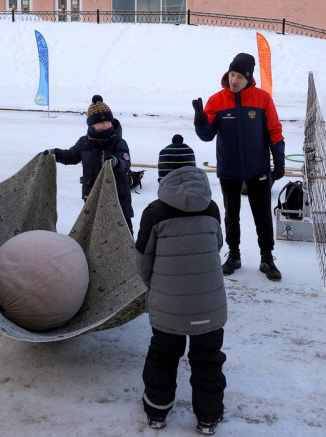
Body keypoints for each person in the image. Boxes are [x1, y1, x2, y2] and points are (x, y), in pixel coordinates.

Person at [136, 137, 227, 435]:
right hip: (209, 306)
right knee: (208, 359)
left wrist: (157, 288)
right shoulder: (211, 207)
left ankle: (157, 411)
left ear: (163, 176)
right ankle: (209, 416)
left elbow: (142, 260)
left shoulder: (154, 212)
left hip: (168, 305)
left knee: (163, 355)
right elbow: (217, 245)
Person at [193, 52, 285, 282]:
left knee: (262, 214)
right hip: (229, 169)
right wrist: (200, 120)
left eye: (239, 77)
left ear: (249, 78)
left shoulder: (262, 99)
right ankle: (234, 254)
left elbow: (274, 130)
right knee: (231, 215)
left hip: (258, 168)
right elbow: (206, 135)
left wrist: (279, 159)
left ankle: (267, 257)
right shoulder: (217, 100)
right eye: (232, 75)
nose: (234, 81)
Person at [45, 95, 134, 233]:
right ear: (91, 124)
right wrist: (54, 154)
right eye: (101, 123)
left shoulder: (119, 142)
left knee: (123, 232)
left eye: (108, 122)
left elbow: (125, 164)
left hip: (118, 196)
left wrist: (116, 163)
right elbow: (71, 156)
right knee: (95, 232)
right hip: (93, 195)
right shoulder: (84, 142)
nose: (106, 125)